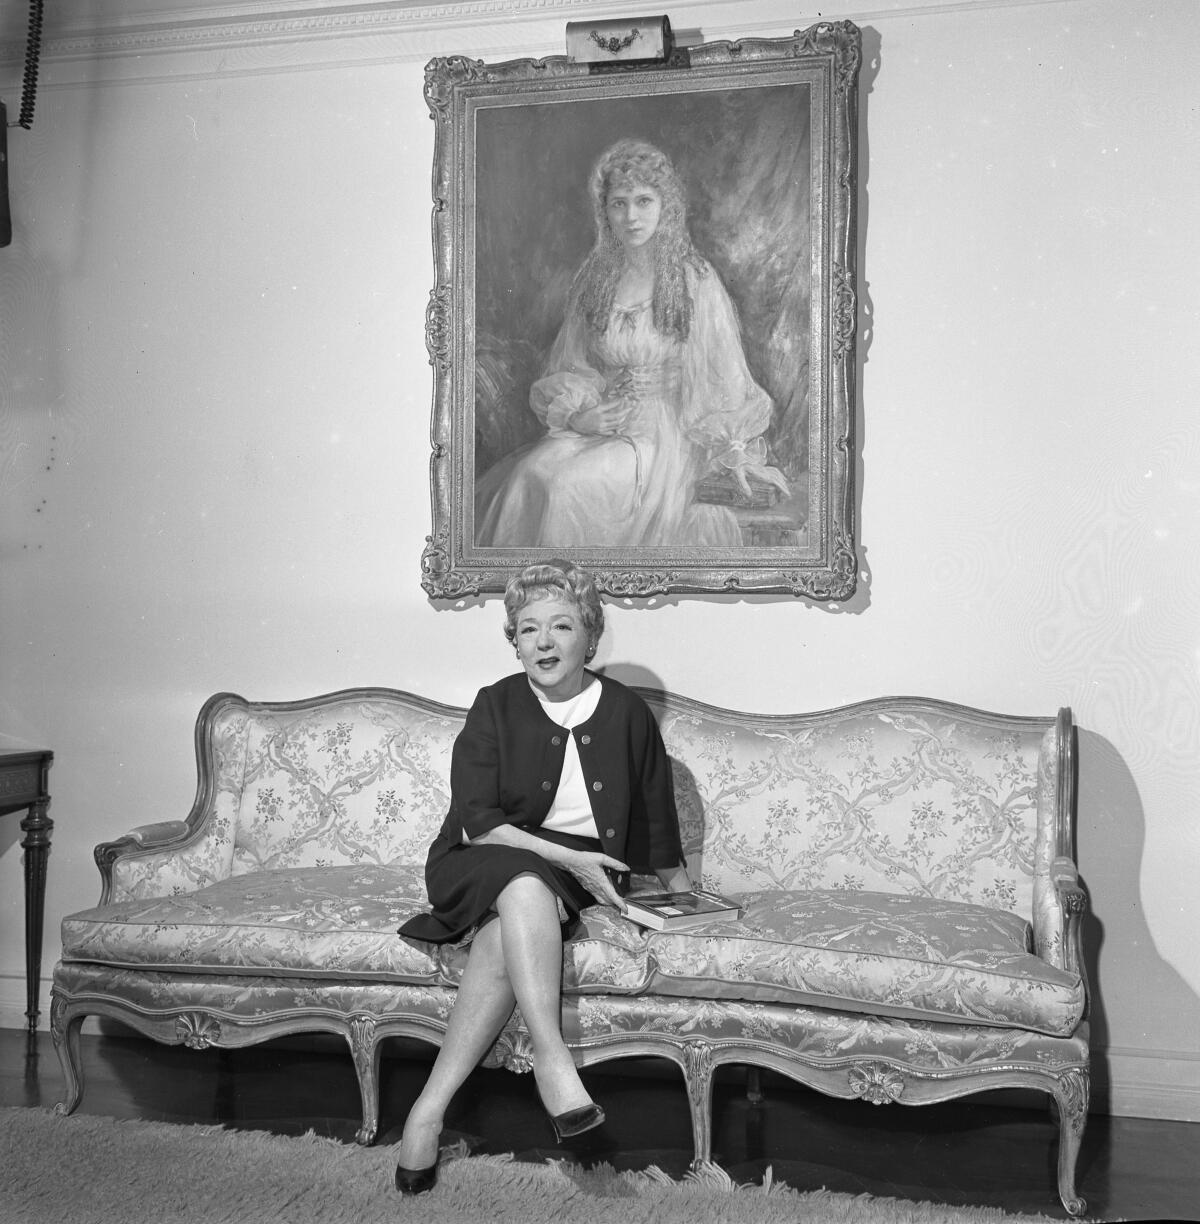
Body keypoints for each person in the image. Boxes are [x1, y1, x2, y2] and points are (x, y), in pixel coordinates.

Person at [393, 559, 691, 1194]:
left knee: (511, 925)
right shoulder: (493, 705)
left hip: (562, 874)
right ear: (514, 639)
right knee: (523, 883)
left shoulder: (628, 713)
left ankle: (425, 1114)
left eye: (561, 625)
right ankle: (554, 1062)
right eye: (529, 629)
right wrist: (571, 861)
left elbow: (658, 822)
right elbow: (479, 824)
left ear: (591, 635)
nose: (545, 643)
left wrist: (687, 899)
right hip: (479, 859)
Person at [474, 138, 788, 550]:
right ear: (604, 211)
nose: (631, 216)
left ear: (666, 207)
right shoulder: (597, 277)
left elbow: (725, 373)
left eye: (643, 201)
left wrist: (733, 449)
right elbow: (572, 363)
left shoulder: (693, 278)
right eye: (618, 203)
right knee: (528, 474)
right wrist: (580, 416)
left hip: (668, 434)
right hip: (602, 424)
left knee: (563, 486)